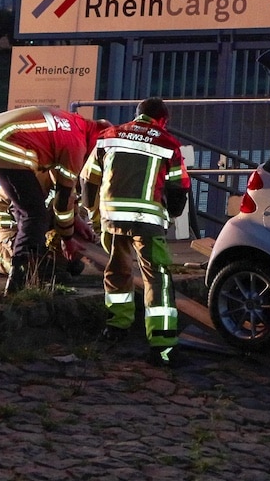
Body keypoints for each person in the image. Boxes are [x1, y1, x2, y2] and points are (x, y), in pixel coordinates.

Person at [80, 98, 191, 368]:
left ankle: (116, 326)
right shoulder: (168, 143)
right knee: (158, 278)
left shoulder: (109, 135)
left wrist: (92, 211)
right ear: (162, 119)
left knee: (117, 271)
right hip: (147, 221)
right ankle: (162, 345)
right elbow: (179, 188)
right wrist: (173, 214)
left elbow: (87, 179)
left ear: (137, 114)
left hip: (112, 217)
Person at [0, 106, 110, 296]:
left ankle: (31, 265)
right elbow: (62, 200)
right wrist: (68, 238)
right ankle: (12, 275)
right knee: (34, 216)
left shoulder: (70, 131)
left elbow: (65, 198)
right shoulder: (75, 146)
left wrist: (75, 220)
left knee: (69, 265)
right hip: (1, 146)